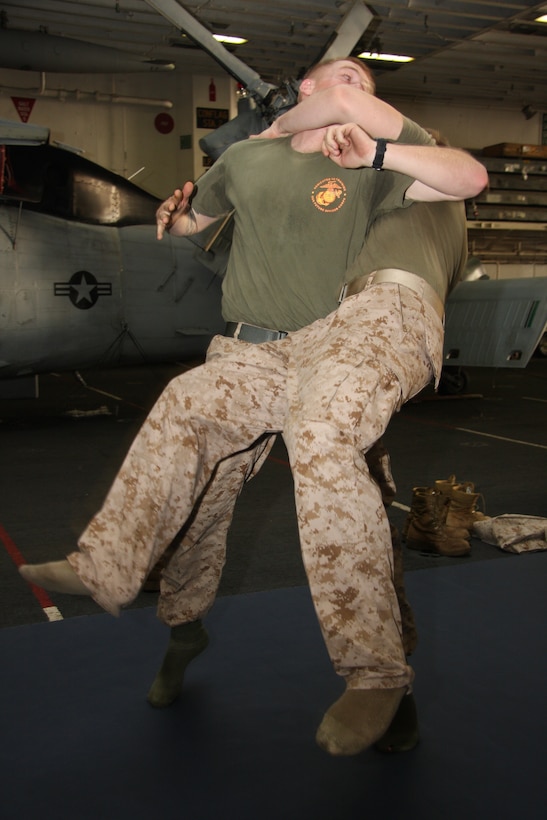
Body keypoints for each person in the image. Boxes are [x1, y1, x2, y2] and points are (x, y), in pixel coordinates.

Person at [19, 58, 488, 756]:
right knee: (194, 490)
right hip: (247, 355)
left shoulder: (366, 160)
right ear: (304, 86)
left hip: (332, 347)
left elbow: (458, 175)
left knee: (339, 479)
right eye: (339, 76)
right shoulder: (245, 160)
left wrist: (362, 137)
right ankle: (147, 601)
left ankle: (385, 684)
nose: (355, 86)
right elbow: (195, 219)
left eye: (365, 80)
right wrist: (176, 220)